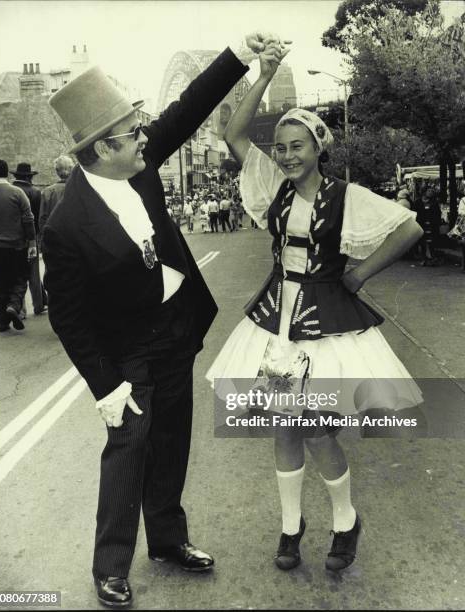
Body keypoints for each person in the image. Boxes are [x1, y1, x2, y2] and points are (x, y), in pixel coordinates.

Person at [41, 34, 275, 608]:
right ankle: (110, 568)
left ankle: (169, 542)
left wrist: (240, 55)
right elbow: (69, 318)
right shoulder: (66, 224)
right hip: (128, 353)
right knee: (128, 452)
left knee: (172, 443)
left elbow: (188, 108)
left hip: (176, 333)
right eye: (131, 135)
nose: (144, 138)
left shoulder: (140, 164)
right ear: (100, 151)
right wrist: (106, 386)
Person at [206, 47, 424, 574]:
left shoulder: (346, 195)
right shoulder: (274, 188)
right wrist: (263, 76)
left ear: (317, 148)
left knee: (319, 425)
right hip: (278, 326)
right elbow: (233, 135)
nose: (286, 156)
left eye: (296, 146)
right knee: (285, 425)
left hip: (326, 326)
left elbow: (410, 227)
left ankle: (345, 522)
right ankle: (290, 528)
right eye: (280, 148)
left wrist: (359, 274)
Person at [0, 160, 37, 332]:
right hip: (16, 245)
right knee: (21, 277)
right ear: (7, 173)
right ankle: (14, 305)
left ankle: (2, 321)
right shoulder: (17, 193)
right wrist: (31, 241)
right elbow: (28, 219)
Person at [11, 162, 47, 315]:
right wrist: (37, 237)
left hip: (14, 238)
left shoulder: (12, 191)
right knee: (33, 273)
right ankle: (38, 305)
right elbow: (39, 217)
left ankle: (21, 309)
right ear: (28, 177)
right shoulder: (35, 192)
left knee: (17, 273)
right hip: (31, 237)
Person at [39, 155, 75, 232]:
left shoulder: (47, 191)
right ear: (71, 169)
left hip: (53, 234)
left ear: (57, 171)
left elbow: (42, 219)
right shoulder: (79, 189)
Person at [448, 180, 465, 271]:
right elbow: (461, 212)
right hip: (464, 226)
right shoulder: (463, 200)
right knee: (464, 247)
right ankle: (463, 266)